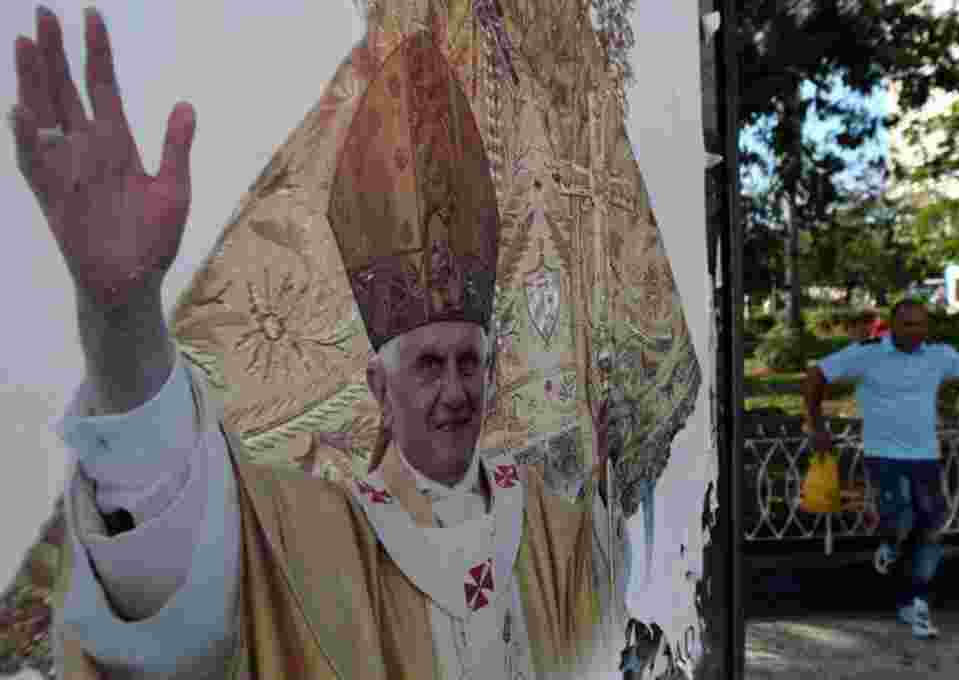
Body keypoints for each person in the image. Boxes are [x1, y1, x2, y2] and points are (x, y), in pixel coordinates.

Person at [10, 7, 634, 679]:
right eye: (427, 364)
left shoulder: (551, 534)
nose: (455, 391)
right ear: (378, 388)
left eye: (467, 362)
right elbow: (181, 573)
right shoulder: (320, 545)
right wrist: (123, 318)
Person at [803, 299, 959, 640]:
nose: (915, 331)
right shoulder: (867, 354)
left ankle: (914, 600)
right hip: (883, 455)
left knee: (931, 528)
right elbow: (817, 375)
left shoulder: (938, 356)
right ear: (892, 325)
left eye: (921, 325)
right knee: (901, 518)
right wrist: (816, 425)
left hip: (925, 458)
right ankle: (889, 543)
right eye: (908, 325)